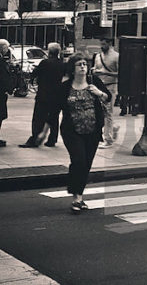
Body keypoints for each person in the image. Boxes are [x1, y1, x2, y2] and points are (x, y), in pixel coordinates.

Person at [59, 54, 112, 213]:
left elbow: (108, 97)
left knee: (86, 164)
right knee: (79, 160)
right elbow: (55, 107)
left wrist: (98, 93)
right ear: (73, 69)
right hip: (72, 131)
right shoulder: (65, 86)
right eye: (79, 64)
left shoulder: (94, 82)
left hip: (93, 131)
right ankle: (76, 198)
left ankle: (79, 195)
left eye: (84, 64)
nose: (83, 67)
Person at [21, 43, 65, 148]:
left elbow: (34, 74)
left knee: (38, 117)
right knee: (53, 118)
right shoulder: (62, 64)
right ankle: (52, 139)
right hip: (57, 95)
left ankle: (35, 138)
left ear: (49, 52)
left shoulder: (45, 63)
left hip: (44, 94)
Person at [92, 38, 119, 147]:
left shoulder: (116, 56)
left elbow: (120, 73)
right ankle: (113, 128)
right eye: (101, 44)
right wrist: (94, 70)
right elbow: (96, 68)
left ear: (109, 44)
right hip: (99, 87)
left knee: (108, 112)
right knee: (100, 113)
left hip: (110, 86)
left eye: (104, 44)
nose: (101, 46)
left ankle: (108, 139)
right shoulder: (98, 56)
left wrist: (105, 72)